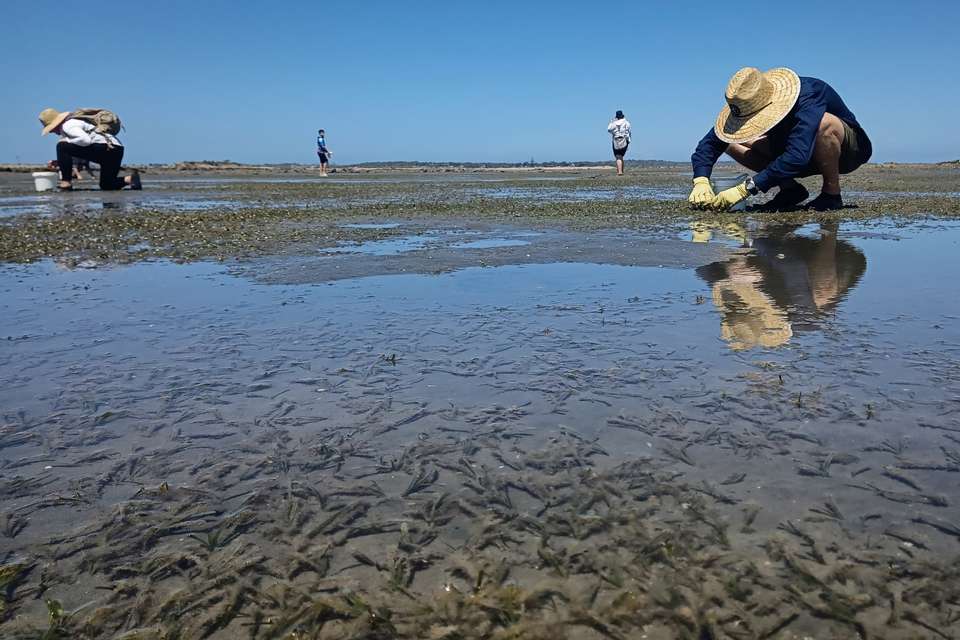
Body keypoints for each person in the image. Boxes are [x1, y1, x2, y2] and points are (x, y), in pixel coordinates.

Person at [688, 67, 872, 212]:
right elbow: (711, 143)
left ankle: (831, 194)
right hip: (795, 149)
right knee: (729, 141)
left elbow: (798, 156)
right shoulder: (744, 104)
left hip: (846, 152)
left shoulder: (810, 93)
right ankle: (790, 190)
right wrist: (701, 180)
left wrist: (747, 188)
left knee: (825, 124)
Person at [696, 222, 866, 350]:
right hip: (841, 261)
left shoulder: (734, 291)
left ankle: (783, 235)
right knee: (821, 294)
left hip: (801, 255)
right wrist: (750, 246)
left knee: (764, 254)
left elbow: (701, 268)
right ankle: (826, 233)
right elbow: (793, 266)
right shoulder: (799, 314)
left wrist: (731, 267)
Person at [38, 108, 140, 191]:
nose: (51, 132)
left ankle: (66, 182)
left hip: (105, 148)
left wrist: (65, 141)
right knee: (107, 185)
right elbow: (82, 146)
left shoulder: (68, 125)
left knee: (61, 146)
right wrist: (61, 161)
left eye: (51, 129)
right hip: (116, 149)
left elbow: (85, 140)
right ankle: (131, 179)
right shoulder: (75, 123)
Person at [607, 110, 631, 176]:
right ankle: (621, 171)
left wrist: (612, 121)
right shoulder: (626, 123)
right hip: (624, 140)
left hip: (616, 141)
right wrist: (629, 141)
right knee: (621, 156)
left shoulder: (614, 123)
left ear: (616, 117)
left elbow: (608, 129)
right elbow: (629, 132)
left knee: (618, 157)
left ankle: (620, 171)